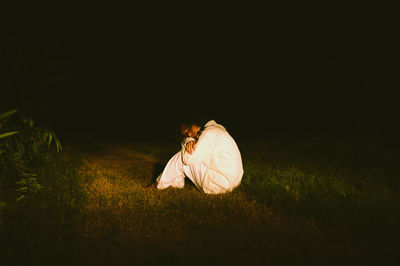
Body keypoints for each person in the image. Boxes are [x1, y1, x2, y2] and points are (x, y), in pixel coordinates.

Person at [150, 119, 243, 194]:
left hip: (219, 184)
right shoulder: (216, 129)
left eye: (188, 130)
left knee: (183, 158)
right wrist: (187, 141)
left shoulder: (209, 134)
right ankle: (174, 184)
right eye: (186, 135)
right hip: (230, 182)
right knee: (190, 155)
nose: (190, 135)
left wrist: (186, 141)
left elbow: (186, 160)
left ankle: (158, 185)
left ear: (193, 121)